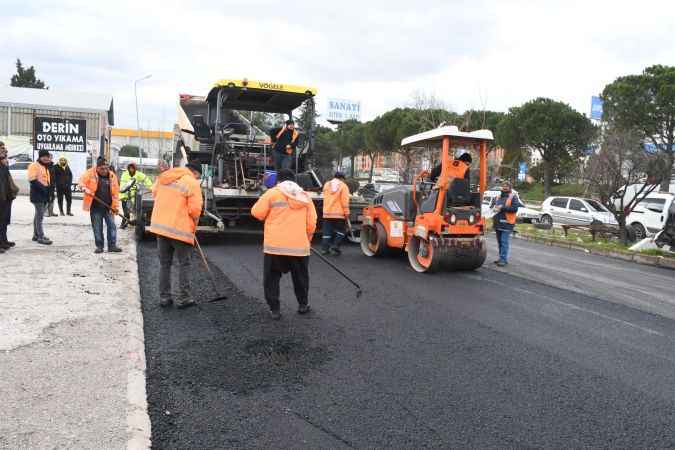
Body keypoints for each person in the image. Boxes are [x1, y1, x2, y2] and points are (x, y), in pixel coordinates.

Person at [252, 169, 317, 320]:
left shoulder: (272, 193)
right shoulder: (304, 196)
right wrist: (307, 238)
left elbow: (257, 213)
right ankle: (303, 305)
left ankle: (275, 310)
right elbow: (312, 222)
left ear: (278, 181)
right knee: (301, 277)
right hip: (299, 247)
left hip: (275, 247)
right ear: (294, 180)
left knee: (272, 278)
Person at [148, 163, 203, 309]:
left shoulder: (165, 177)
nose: (198, 179)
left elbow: (153, 193)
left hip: (161, 229)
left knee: (165, 264)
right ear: (195, 173)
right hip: (180, 230)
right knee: (184, 264)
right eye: (199, 176)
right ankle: (184, 298)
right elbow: (195, 210)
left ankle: (164, 298)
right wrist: (193, 226)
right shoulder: (192, 182)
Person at [79, 157, 122, 254]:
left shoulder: (112, 176)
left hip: (108, 207)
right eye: (102, 168)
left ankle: (112, 245)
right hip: (95, 207)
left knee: (112, 226)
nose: (105, 170)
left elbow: (115, 193)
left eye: (106, 168)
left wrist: (114, 207)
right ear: (97, 167)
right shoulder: (90, 173)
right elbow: (81, 182)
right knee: (97, 227)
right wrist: (85, 189)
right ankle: (99, 246)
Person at [493, 180, 522, 267]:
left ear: (510, 188)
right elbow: (493, 206)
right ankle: (501, 258)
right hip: (498, 222)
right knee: (500, 242)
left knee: (504, 241)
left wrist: (502, 207)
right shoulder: (498, 197)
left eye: (506, 186)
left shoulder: (513, 197)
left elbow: (514, 208)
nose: (504, 187)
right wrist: (494, 208)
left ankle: (503, 259)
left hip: (507, 223)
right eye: (503, 186)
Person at [321, 171, 350, 256]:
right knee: (341, 231)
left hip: (327, 213)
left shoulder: (327, 185)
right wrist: (347, 212)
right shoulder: (343, 186)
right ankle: (335, 248)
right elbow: (345, 201)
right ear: (342, 178)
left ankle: (324, 249)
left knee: (326, 232)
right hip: (339, 214)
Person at [27, 150, 53, 245]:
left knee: (38, 215)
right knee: (40, 217)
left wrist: (48, 191)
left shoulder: (45, 166)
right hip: (37, 194)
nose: (46, 158)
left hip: (44, 194)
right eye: (44, 156)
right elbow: (32, 180)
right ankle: (40, 237)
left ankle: (36, 235)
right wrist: (44, 188)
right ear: (40, 157)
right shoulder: (34, 165)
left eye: (47, 156)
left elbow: (47, 181)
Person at [119, 163, 152, 229]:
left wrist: (151, 187)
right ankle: (123, 225)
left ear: (135, 169)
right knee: (126, 213)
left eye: (132, 168)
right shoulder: (124, 175)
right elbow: (123, 187)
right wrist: (124, 196)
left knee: (136, 212)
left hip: (134, 197)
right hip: (125, 197)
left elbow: (145, 179)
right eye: (130, 168)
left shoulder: (138, 174)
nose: (131, 169)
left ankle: (130, 224)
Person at [0, 143, 19, 252]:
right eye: (2, 149)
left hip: (6, 196)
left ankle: (3, 241)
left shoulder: (4, 164)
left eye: (5, 149)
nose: (5, 151)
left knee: (5, 220)